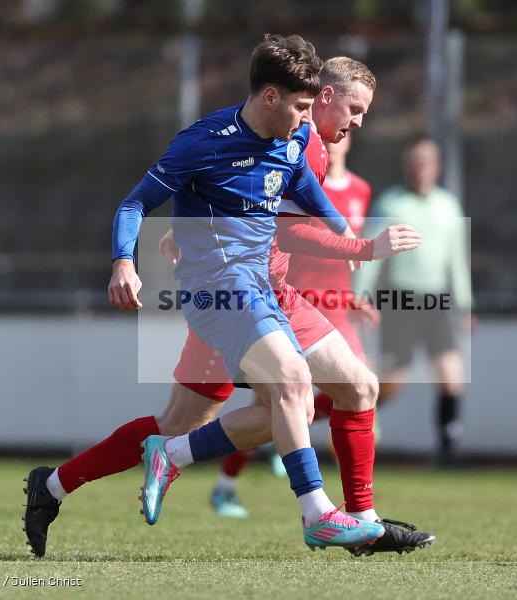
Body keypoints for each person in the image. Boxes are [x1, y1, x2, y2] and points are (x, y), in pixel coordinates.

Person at [23, 34, 384, 557]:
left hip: (272, 292)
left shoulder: (295, 142)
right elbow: (146, 203)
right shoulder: (243, 137)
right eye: (352, 109)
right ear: (285, 98)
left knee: (340, 391)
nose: (354, 123)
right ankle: (317, 513)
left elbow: (301, 196)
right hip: (227, 292)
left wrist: (343, 239)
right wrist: (128, 258)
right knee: (289, 394)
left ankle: (55, 485)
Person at [211, 132, 376, 515]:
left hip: (335, 306)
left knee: (361, 388)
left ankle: (358, 507)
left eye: (347, 134)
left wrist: (354, 297)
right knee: (272, 404)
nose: (334, 144)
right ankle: (227, 482)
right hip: (295, 300)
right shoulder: (298, 180)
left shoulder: (360, 189)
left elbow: (346, 255)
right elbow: (285, 243)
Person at [355, 137, 474, 465]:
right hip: (399, 300)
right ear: (406, 165)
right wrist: (358, 295)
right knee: (392, 383)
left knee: (451, 373)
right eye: (414, 161)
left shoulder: (448, 206)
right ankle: (351, 413)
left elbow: (456, 261)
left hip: (435, 301)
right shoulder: (390, 204)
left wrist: (464, 306)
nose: (420, 167)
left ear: (438, 166)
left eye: (426, 160)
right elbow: (369, 251)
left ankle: (448, 450)